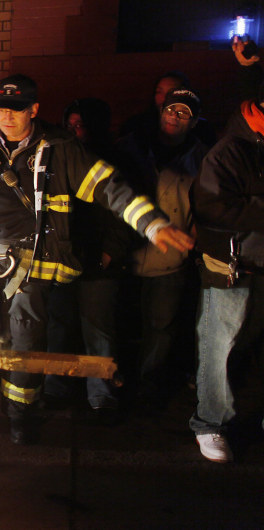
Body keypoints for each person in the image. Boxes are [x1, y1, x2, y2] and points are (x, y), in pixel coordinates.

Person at [0, 74, 195, 445]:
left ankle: (20, 414)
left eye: (17, 109)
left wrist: (151, 224)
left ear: (34, 110)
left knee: (25, 340)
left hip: (27, 263)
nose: (8, 117)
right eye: (3, 109)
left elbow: (109, 186)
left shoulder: (59, 148)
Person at [43, 98, 134, 424]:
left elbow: (126, 211)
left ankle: (101, 394)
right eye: (70, 125)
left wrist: (112, 251)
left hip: (99, 262)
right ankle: (56, 385)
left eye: (81, 125)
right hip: (64, 258)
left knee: (98, 329)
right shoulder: (57, 158)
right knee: (58, 326)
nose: (75, 131)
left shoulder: (114, 161)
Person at [116, 88, 207, 412]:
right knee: (121, 323)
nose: (174, 116)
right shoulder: (130, 147)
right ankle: (116, 380)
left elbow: (206, 206)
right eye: (171, 109)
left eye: (183, 113)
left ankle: (148, 387)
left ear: (193, 121)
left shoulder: (201, 158)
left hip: (170, 260)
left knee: (161, 326)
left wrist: (196, 236)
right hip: (126, 255)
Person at [189, 83, 264, 464]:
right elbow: (213, 208)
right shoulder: (231, 150)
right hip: (232, 267)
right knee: (218, 347)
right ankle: (209, 423)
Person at [119, 70, 216, 148]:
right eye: (159, 92)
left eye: (172, 92)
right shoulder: (135, 127)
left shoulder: (202, 134)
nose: (165, 98)